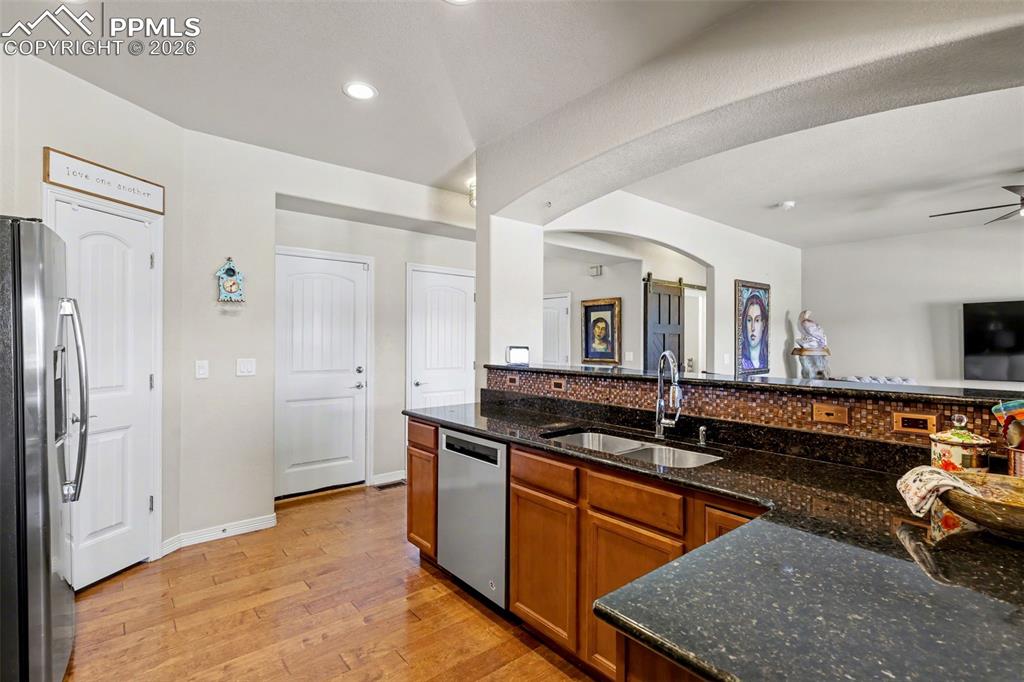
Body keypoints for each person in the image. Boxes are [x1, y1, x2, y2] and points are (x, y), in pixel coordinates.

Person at [740, 293, 768, 370]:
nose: (753, 328)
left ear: (763, 324)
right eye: (749, 320)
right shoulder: (741, 360)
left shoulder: (765, 360)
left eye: (757, 320)